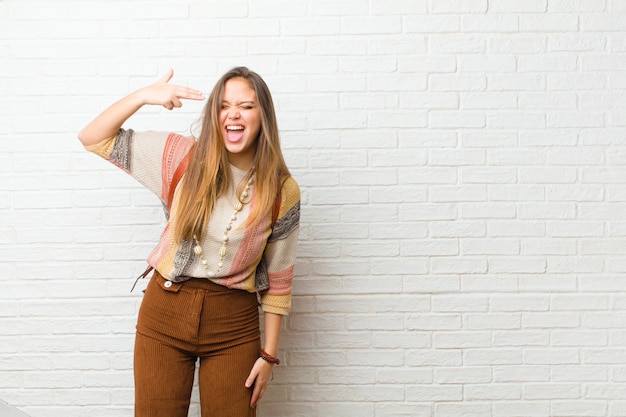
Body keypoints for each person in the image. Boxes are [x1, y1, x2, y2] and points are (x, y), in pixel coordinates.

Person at [77, 67, 300, 417]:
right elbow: (93, 138)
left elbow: (279, 282)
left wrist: (268, 356)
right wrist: (142, 96)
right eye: (225, 106)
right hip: (164, 314)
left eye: (246, 106)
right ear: (215, 115)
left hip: (234, 326)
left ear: (263, 117)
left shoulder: (282, 191)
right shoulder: (180, 156)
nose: (234, 115)